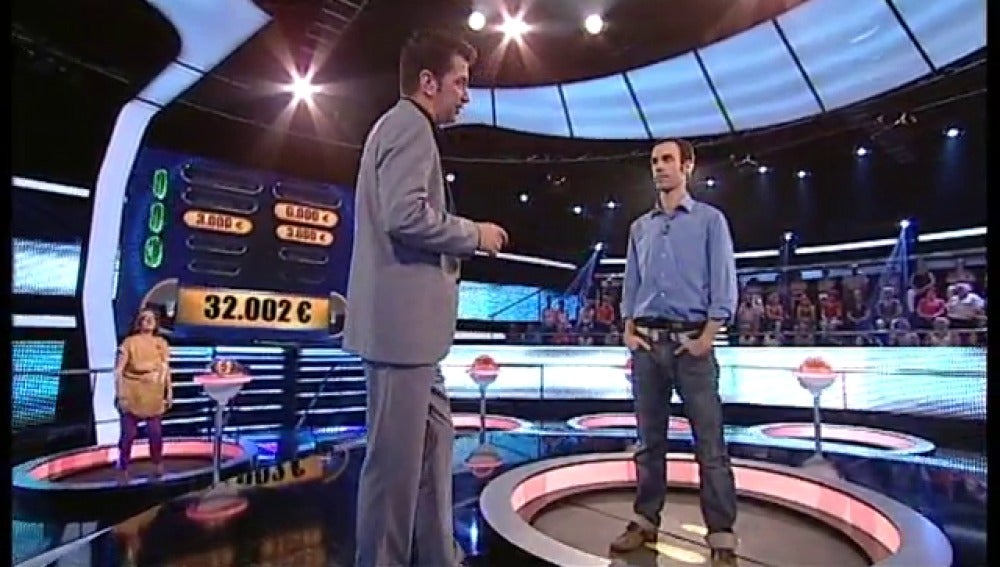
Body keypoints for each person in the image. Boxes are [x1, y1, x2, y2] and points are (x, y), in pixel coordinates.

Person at [343, 30, 509, 567]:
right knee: (392, 473)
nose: (466, 95)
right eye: (460, 83)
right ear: (428, 82)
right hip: (402, 338)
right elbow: (405, 215)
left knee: (436, 452)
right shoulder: (410, 126)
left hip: (415, 342)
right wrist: (474, 234)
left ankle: (440, 556)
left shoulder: (399, 126)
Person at [612, 139, 739, 566]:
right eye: (654, 161)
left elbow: (724, 282)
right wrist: (628, 330)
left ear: (687, 166)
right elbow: (631, 282)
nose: (659, 167)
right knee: (649, 443)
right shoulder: (640, 228)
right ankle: (645, 520)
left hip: (692, 347)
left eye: (667, 159)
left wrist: (707, 337)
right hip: (647, 346)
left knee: (710, 445)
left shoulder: (710, 221)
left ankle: (721, 535)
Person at [114, 306, 173, 483]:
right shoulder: (129, 343)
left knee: (156, 433)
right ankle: (123, 465)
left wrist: (169, 392)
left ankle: (157, 464)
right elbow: (118, 371)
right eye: (144, 318)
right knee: (128, 435)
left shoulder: (161, 343)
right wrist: (120, 395)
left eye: (151, 318)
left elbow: (166, 370)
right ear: (138, 322)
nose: (148, 321)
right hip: (132, 392)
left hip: (154, 394)